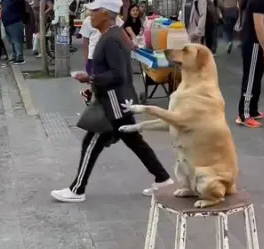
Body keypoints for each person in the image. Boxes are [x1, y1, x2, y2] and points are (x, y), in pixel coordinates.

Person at [51, 0, 173, 203]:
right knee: (134, 141)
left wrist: (90, 78)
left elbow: (118, 75)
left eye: (94, 11)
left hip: (114, 101)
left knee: (92, 142)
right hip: (117, 99)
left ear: (107, 14)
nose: (90, 14)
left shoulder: (112, 39)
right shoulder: (113, 35)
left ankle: (77, 189)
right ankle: (163, 179)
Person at [236, 0, 264, 128]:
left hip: (256, 45)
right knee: (251, 80)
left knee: (256, 78)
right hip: (254, 45)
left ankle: (252, 110)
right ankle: (244, 115)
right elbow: (259, 26)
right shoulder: (258, 1)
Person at [1, 0, 28, 64]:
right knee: (12, 41)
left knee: (16, 40)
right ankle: (15, 56)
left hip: (15, 21)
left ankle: (20, 58)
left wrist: (24, 19)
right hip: (7, 22)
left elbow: (22, 8)